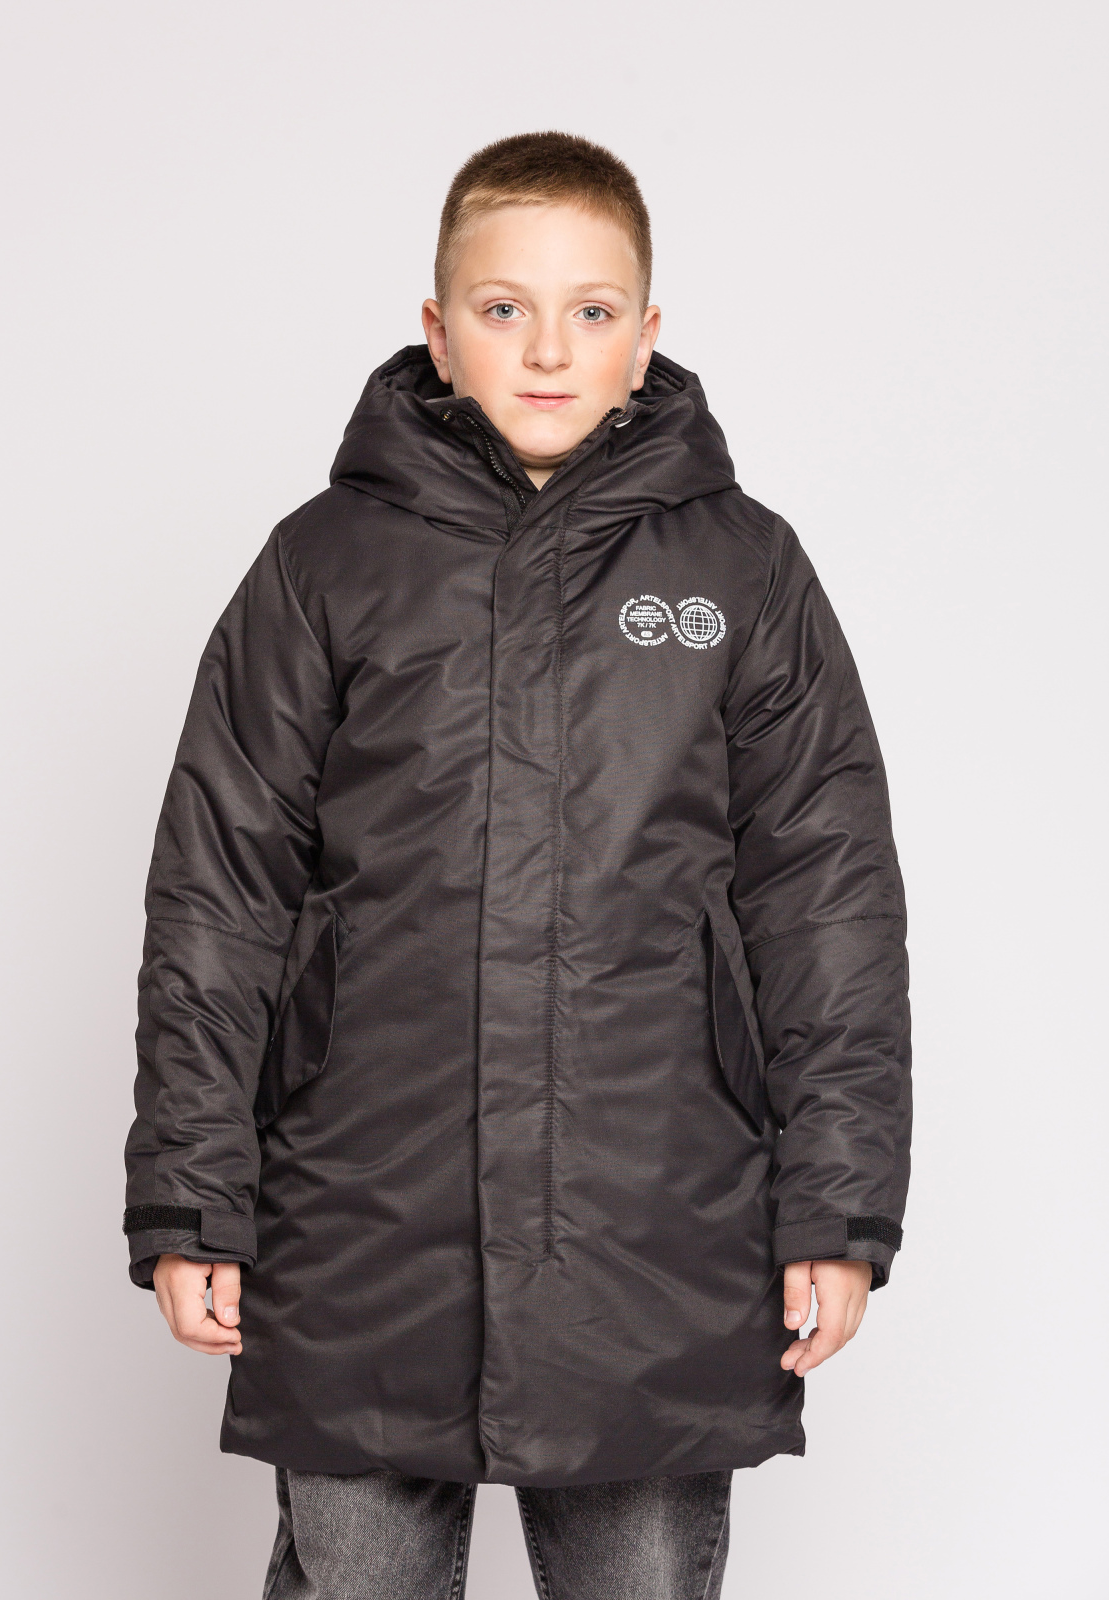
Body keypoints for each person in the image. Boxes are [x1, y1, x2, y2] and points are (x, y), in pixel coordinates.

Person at [124, 131, 911, 1600]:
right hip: (358, 1212)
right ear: (437, 330)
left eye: (590, 311)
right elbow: (219, 893)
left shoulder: (742, 571)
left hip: (659, 1221)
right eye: (504, 309)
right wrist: (194, 1195)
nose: (549, 349)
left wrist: (837, 1204)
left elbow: (827, 900)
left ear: (647, 335)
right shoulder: (322, 566)